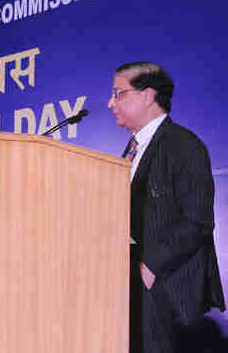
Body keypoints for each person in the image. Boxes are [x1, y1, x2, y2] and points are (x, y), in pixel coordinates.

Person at [107, 61, 225, 353]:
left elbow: (197, 219)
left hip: (166, 289)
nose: (110, 103)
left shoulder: (183, 145)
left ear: (147, 96)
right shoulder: (130, 150)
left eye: (118, 94)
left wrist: (149, 267)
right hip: (131, 291)